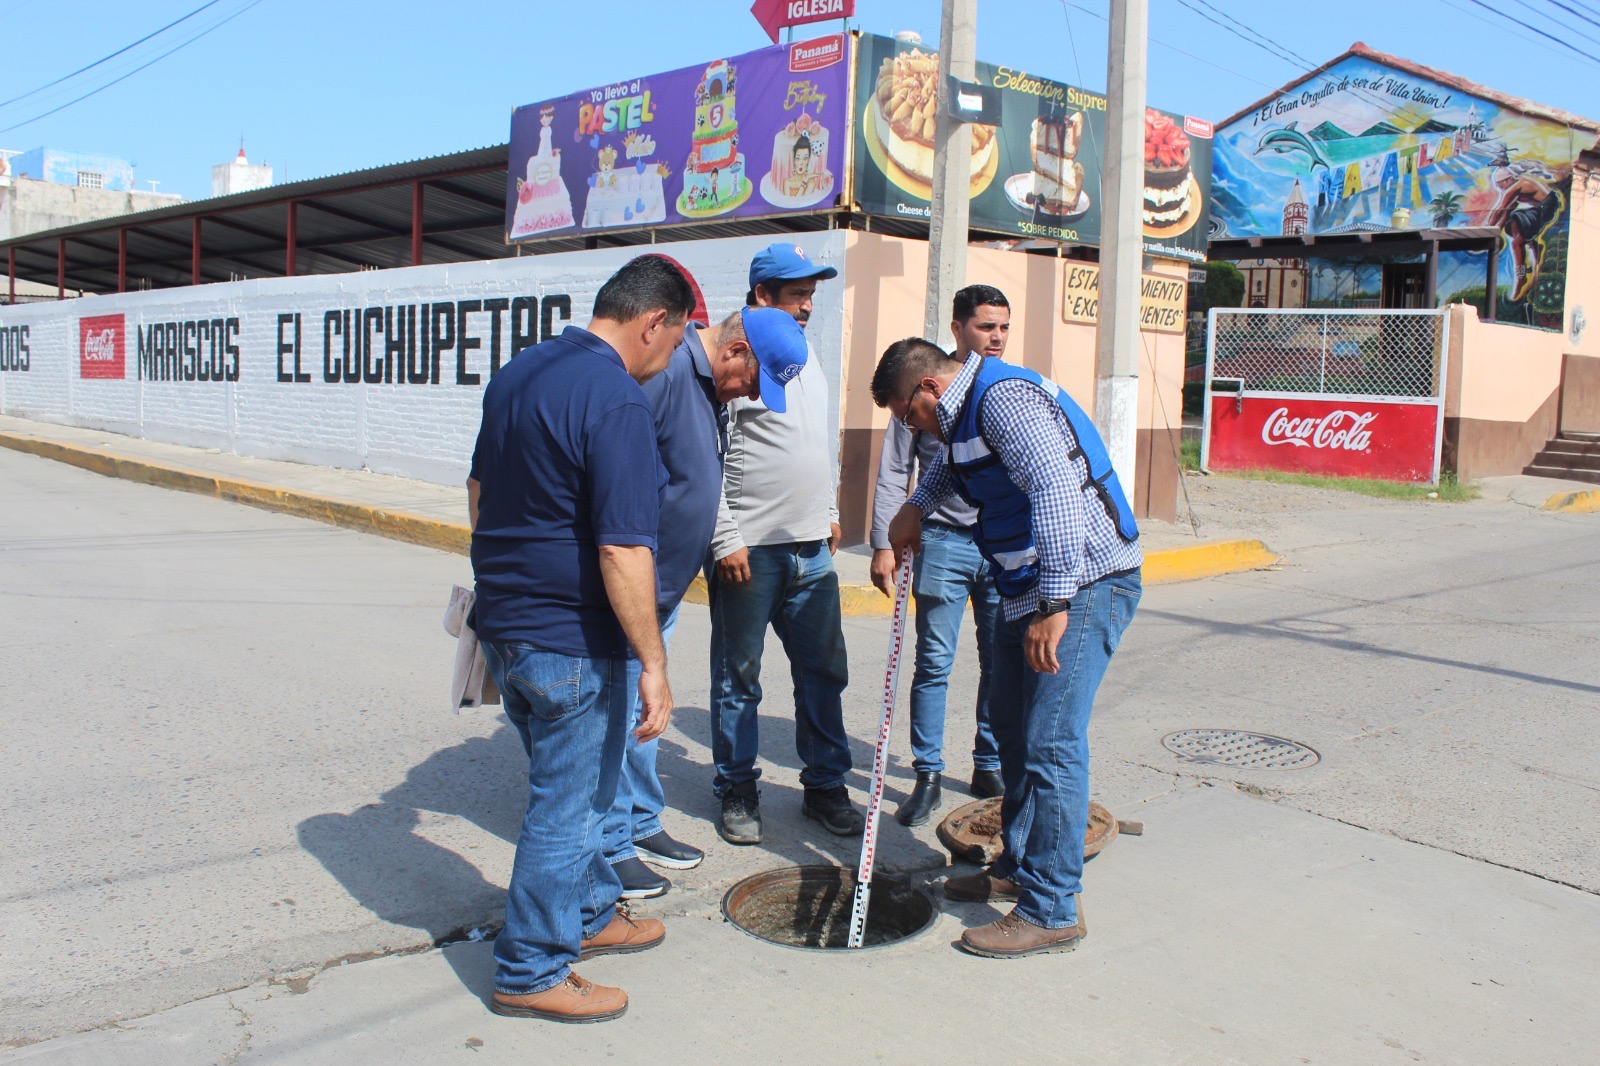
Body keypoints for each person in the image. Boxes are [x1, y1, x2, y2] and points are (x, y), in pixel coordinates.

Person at [468, 255, 693, 1023]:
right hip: (571, 637)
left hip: (508, 625)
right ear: (653, 322)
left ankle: (591, 913)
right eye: (674, 343)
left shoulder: (521, 373)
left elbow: (478, 490)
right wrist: (653, 663)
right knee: (567, 809)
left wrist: (508, 582)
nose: (669, 359)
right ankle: (531, 968)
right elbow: (623, 549)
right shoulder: (615, 397)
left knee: (581, 792)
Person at [875, 338, 1142, 959]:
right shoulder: (964, 413)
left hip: (1082, 584)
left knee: (1051, 742)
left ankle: (1052, 908)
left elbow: (1055, 492)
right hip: (1026, 586)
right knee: (1013, 732)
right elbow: (954, 464)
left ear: (929, 389)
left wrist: (1054, 605)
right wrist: (917, 505)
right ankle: (1020, 867)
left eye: (909, 416)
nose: (913, 430)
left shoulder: (1004, 400)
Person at [604, 306, 810, 898]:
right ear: (734, 351)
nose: (751, 395)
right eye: (753, 381)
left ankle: (642, 823)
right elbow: (618, 476)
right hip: (635, 586)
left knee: (646, 716)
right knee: (619, 720)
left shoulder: (707, 386)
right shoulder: (668, 376)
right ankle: (611, 847)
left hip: (663, 588)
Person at [708, 243, 860, 845]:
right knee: (738, 678)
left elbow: (817, 438)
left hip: (811, 549)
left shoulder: (806, 355)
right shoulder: (736, 360)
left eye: (812, 295)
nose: (808, 305)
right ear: (762, 295)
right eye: (797, 294)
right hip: (751, 552)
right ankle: (737, 788)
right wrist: (725, 538)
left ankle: (825, 785)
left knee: (823, 672)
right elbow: (704, 459)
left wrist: (828, 511)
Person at [869, 285, 1012, 827]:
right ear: (958, 329)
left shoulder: (1004, 391)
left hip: (1000, 548)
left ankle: (989, 765)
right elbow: (895, 470)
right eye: (984, 326)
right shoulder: (919, 388)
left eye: (1003, 327)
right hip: (944, 542)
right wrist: (884, 543)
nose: (995, 337)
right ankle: (927, 773)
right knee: (933, 661)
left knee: (1001, 660)